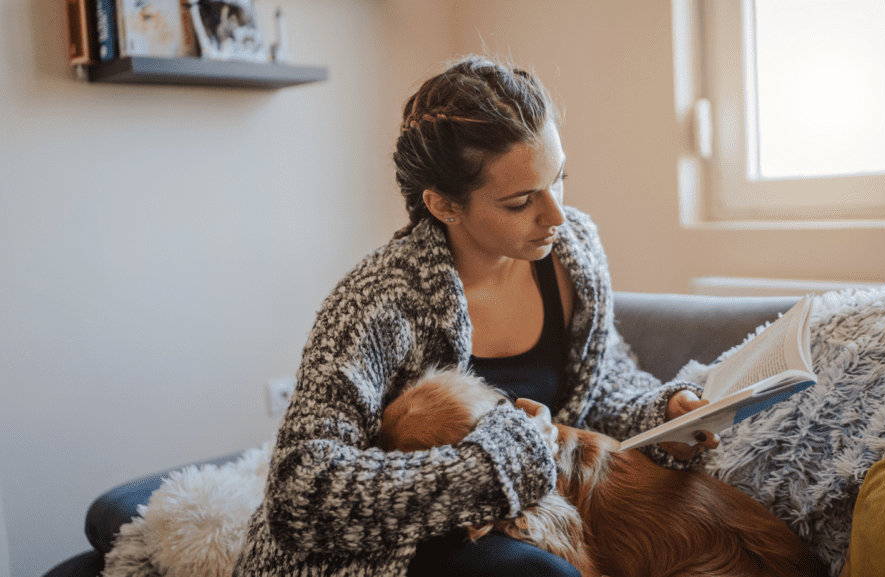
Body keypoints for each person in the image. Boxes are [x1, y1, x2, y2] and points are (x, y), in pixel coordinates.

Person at [231, 54, 718, 577]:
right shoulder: (377, 302)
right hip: (395, 547)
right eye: (520, 201)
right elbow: (299, 492)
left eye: (559, 179)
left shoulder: (573, 250)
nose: (555, 214)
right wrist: (492, 470)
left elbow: (598, 382)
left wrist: (660, 416)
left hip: (535, 517)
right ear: (444, 206)